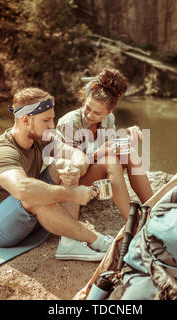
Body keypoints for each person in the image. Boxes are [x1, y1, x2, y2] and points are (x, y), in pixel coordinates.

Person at [0, 87, 114, 261]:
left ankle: (69, 244)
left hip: (22, 212)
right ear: (25, 120)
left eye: (52, 119)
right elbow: (22, 189)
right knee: (32, 194)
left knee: (66, 166)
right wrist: (72, 194)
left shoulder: (42, 138)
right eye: (46, 120)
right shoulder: (1, 150)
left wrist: (75, 167)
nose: (52, 126)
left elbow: (76, 154)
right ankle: (96, 241)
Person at [56, 68, 153, 219]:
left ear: (108, 112)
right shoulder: (70, 123)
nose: (89, 115)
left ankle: (154, 207)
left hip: (93, 175)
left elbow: (110, 149)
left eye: (97, 113)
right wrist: (98, 153)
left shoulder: (109, 120)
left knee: (130, 154)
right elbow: (70, 168)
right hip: (71, 183)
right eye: (87, 108)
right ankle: (132, 221)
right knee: (110, 161)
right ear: (85, 99)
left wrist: (127, 145)